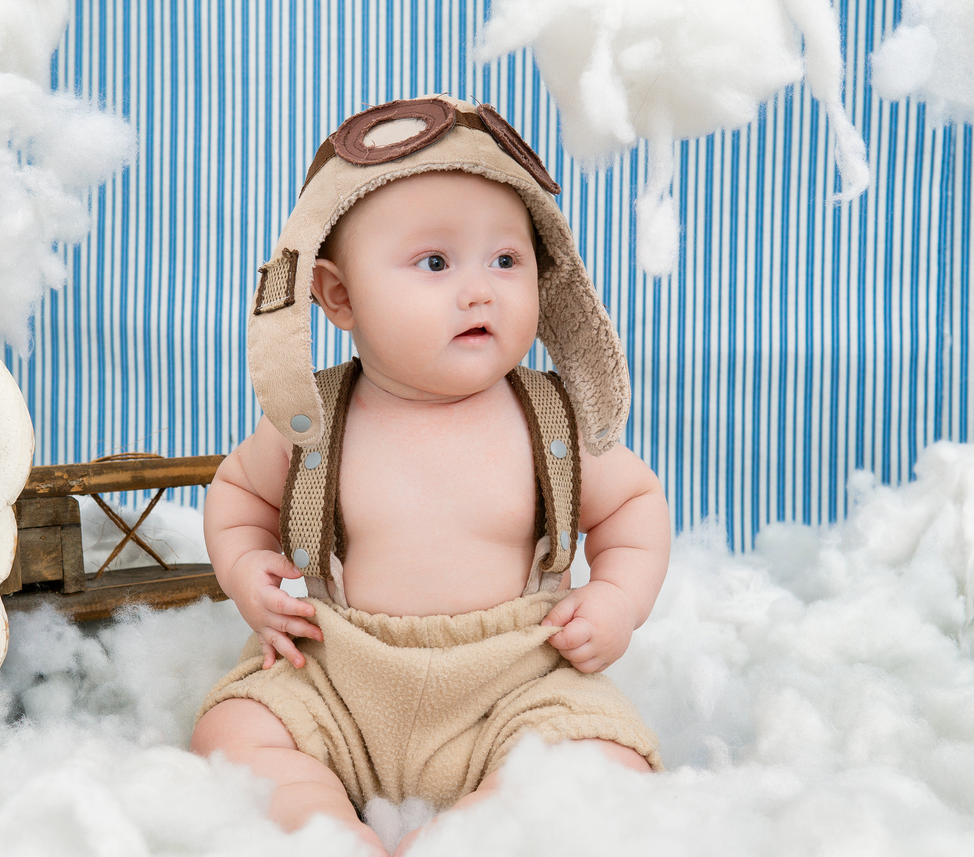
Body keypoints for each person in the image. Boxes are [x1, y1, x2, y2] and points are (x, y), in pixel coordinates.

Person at [190, 96, 670, 856]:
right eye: (436, 263)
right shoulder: (311, 420)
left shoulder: (552, 421)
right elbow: (238, 494)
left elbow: (634, 504)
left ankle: (468, 833)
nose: (480, 290)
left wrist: (617, 598)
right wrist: (247, 570)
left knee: (604, 756)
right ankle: (324, 827)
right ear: (339, 296)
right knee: (234, 733)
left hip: (514, 679)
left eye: (506, 260)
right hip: (334, 673)